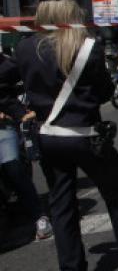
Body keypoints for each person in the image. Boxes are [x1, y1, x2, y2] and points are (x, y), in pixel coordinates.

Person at [0, 0, 118, 271]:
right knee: (117, 195)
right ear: (72, 10)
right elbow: (105, 92)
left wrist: (19, 112)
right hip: (87, 135)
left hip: (48, 137)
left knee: (62, 205)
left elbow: (3, 84)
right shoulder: (88, 47)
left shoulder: (25, 48)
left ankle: (71, 266)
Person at [0, 56, 52, 240]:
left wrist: (18, 112)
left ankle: (39, 216)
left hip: (3, 125)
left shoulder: (6, 66)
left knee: (12, 166)